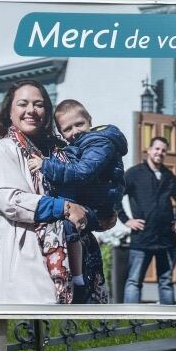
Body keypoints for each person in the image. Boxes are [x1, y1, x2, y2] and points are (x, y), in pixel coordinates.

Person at [0, 79, 90, 304]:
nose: (31, 110)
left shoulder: (63, 152)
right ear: (9, 110)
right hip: (25, 259)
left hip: (75, 256)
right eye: (23, 104)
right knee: (28, 331)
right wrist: (64, 208)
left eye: (38, 104)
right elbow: (12, 202)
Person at [28, 99, 126, 303]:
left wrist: (46, 165)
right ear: (60, 132)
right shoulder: (81, 144)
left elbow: (83, 172)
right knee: (68, 226)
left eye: (79, 124)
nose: (75, 132)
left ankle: (78, 282)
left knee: (68, 225)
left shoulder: (98, 142)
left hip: (97, 205)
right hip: (95, 200)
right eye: (68, 129)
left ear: (90, 121)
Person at [119, 136, 176, 305]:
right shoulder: (134, 174)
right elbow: (115, 196)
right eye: (157, 149)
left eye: (163, 150)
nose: (160, 152)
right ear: (149, 150)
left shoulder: (168, 176)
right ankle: (130, 319)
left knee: (165, 282)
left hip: (166, 239)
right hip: (142, 237)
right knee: (134, 281)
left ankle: (169, 321)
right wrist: (126, 220)